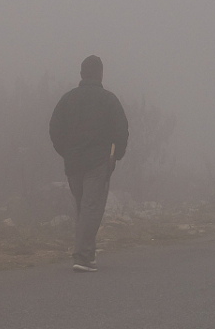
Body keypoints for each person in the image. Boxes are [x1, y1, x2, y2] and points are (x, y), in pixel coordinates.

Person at [48, 54, 129, 271]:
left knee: (83, 208)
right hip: (98, 162)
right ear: (101, 74)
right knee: (91, 208)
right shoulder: (109, 99)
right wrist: (115, 156)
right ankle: (82, 257)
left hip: (73, 163)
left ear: (81, 74)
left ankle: (89, 254)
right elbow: (122, 130)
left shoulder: (67, 99)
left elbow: (54, 129)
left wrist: (65, 152)